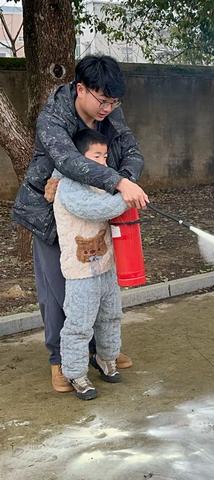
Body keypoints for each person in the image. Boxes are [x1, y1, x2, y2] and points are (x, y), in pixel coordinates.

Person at [12, 55, 149, 393]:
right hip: (51, 213)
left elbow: (132, 150)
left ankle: (97, 352)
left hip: (96, 209)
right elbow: (68, 161)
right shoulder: (53, 116)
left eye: (114, 101)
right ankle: (60, 360)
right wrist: (118, 184)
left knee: (97, 284)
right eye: (103, 100)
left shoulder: (111, 112)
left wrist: (128, 180)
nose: (108, 108)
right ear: (81, 88)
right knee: (59, 289)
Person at [53, 128, 127, 400]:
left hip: (106, 266)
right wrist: (126, 196)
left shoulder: (101, 181)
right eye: (96, 156)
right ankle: (75, 373)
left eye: (105, 157)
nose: (103, 163)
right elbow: (97, 209)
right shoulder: (68, 185)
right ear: (79, 157)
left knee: (111, 314)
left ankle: (107, 359)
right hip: (80, 272)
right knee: (80, 323)